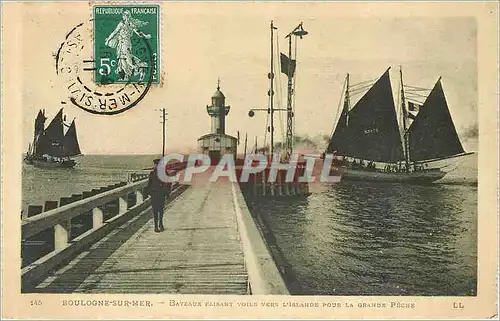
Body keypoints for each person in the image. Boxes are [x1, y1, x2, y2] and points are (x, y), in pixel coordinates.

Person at [145, 159, 170, 232]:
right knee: (160, 210)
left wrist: (149, 193)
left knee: (156, 210)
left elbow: (149, 185)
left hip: (156, 194)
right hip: (159, 193)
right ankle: (159, 225)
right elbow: (168, 183)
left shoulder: (153, 173)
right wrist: (168, 193)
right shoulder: (163, 173)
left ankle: (158, 225)